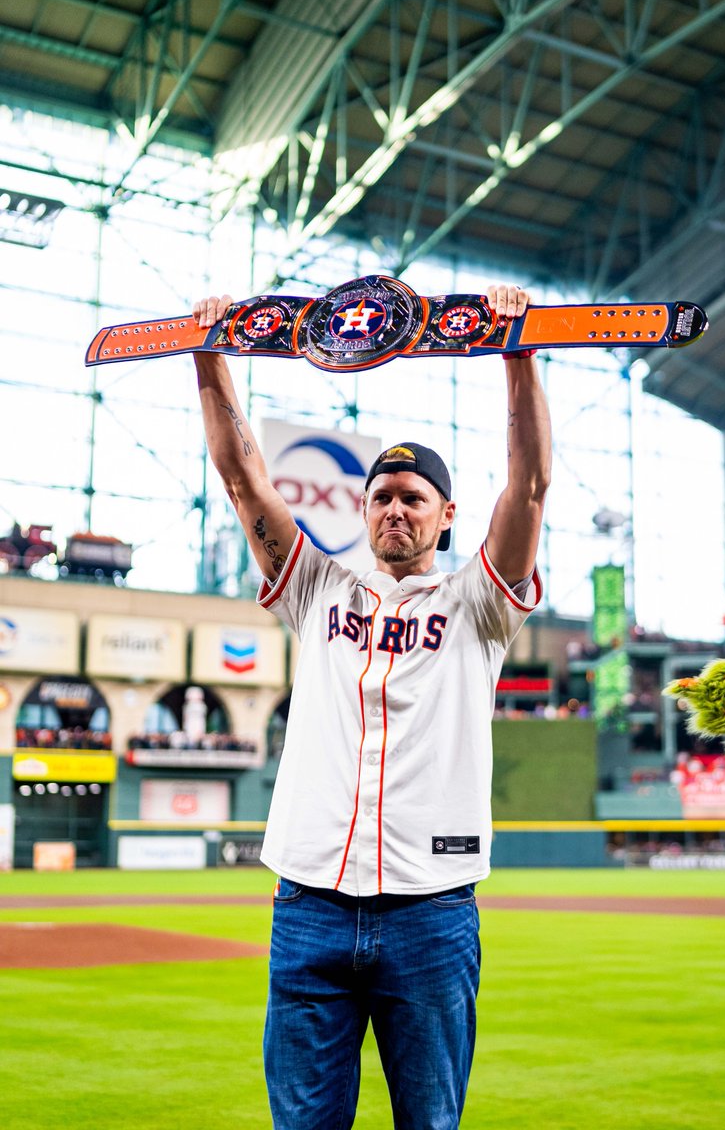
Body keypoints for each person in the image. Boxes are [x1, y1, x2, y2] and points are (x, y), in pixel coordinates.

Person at [193, 281, 551, 1130]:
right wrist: (208, 354)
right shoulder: (317, 587)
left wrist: (517, 349)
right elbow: (244, 480)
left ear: (446, 514)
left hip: (431, 914)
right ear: (363, 508)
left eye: (413, 497)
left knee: (429, 1123)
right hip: (308, 906)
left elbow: (529, 486)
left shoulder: (480, 604)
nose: (395, 509)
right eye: (382, 496)